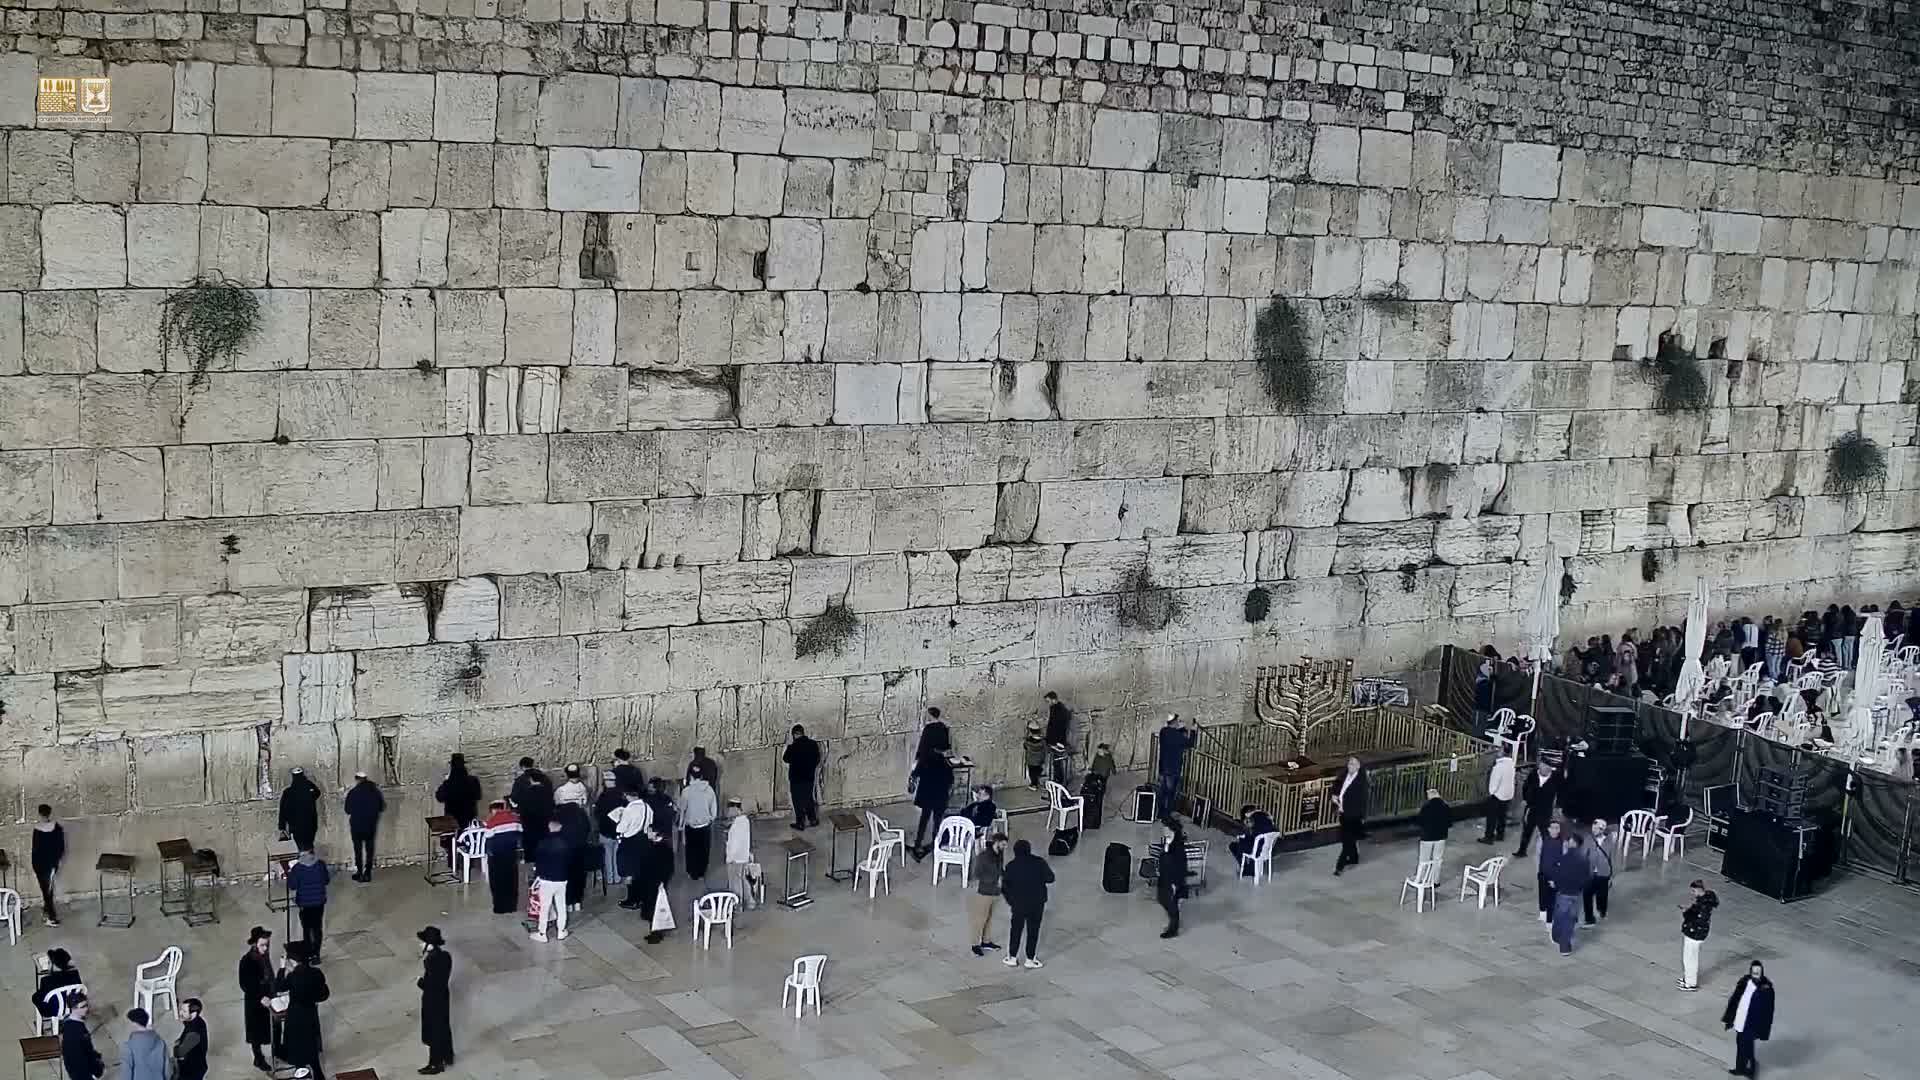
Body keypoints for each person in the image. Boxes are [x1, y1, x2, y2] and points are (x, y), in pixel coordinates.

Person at [278, 941, 330, 1080]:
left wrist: (282, 968)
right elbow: (324, 994)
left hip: (295, 1016)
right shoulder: (316, 973)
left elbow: (279, 987)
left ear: (293, 960)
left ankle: (301, 1073)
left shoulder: (293, 977)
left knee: (297, 1048)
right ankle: (318, 1075)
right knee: (311, 1046)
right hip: (310, 1014)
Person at [999, 838, 1054, 969]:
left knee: (1016, 930)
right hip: (1037, 903)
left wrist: (1011, 901)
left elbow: (1005, 887)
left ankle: (1012, 957)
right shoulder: (1039, 862)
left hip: (1018, 904)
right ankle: (1030, 959)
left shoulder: (1011, 866)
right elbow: (1050, 878)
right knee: (1033, 931)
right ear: (1029, 850)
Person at [1722, 960, 1775, 1076]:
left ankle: (1751, 1070)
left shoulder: (1766, 988)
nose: (1756, 973)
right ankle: (1740, 1069)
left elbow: (1768, 1011)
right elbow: (1735, 1000)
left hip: (1752, 1023)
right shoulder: (1744, 981)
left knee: (1747, 1047)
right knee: (1741, 1045)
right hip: (1740, 1020)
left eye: (1758, 971)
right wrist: (1729, 1019)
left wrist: (1764, 1030)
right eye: (1754, 971)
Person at [237, 928, 275, 1072]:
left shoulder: (264, 956)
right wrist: (260, 997)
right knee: (256, 1033)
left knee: (272, 1025)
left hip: (268, 996)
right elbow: (245, 984)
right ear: (254, 944)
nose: (265, 948)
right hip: (255, 1001)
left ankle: (278, 1050)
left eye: (267, 945)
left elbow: (269, 974)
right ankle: (258, 1058)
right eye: (262, 945)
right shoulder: (247, 961)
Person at [416, 927, 454, 1075]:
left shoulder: (432, 961)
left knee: (434, 1031)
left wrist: (420, 982)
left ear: (429, 944)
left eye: (423, 942)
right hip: (443, 997)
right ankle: (446, 1056)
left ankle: (435, 1064)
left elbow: (431, 985)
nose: (420, 945)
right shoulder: (445, 956)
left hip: (433, 1000)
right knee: (442, 1027)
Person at [613, 787, 657, 911]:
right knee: (640, 870)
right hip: (643, 841)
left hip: (629, 843)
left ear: (628, 795)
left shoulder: (629, 810)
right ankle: (642, 898)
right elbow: (650, 824)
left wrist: (619, 819)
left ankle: (632, 899)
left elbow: (620, 828)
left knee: (629, 872)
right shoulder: (648, 807)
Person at [529, 819, 571, 942]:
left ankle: (542, 933)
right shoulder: (566, 843)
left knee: (544, 907)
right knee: (561, 906)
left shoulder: (543, 843)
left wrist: (537, 875)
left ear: (549, 828)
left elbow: (538, 862)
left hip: (546, 880)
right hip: (562, 879)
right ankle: (561, 931)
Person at [909, 748, 954, 860]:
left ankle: (918, 843)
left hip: (927, 796)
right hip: (940, 797)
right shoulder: (946, 764)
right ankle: (936, 844)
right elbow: (951, 782)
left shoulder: (924, 761)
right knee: (937, 821)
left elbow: (915, 774)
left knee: (924, 820)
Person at [286, 848, 331, 962]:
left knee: (307, 928)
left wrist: (290, 873)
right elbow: (326, 880)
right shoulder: (320, 865)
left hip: (305, 903)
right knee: (317, 928)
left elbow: (292, 886)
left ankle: (308, 952)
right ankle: (316, 954)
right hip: (319, 902)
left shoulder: (298, 868)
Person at [1550, 832, 1590, 955]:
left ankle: (1562, 942)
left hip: (1563, 892)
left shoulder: (1564, 858)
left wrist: (1555, 883)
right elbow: (1587, 878)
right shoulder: (1584, 860)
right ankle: (1562, 941)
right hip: (1576, 893)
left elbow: (1558, 874)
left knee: (1561, 916)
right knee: (1570, 918)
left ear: (1572, 843)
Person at [343, 771, 384, 883]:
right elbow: (381, 807)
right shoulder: (375, 792)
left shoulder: (353, 792)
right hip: (370, 825)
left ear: (357, 779)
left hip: (357, 826)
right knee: (369, 848)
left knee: (358, 849)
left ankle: (359, 872)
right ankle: (368, 873)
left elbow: (347, 810)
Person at [481, 800, 521, 915]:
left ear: (493, 809)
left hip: (497, 856)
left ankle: (499, 907)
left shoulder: (492, 821)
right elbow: (520, 835)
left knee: (497, 882)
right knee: (512, 880)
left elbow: (488, 840)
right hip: (511, 855)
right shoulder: (515, 819)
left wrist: (488, 855)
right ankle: (512, 906)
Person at [968, 833, 1005, 956]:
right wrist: (995, 880)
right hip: (984, 892)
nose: (1005, 846)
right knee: (980, 919)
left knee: (989, 917)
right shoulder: (983, 857)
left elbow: (1000, 869)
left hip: (995, 891)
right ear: (997, 842)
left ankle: (986, 941)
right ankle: (975, 944)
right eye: (1003, 844)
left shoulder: (999, 854)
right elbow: (977, 874)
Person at [1679, 878, 1719, 990]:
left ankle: (1690, 982)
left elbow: (1698, 919)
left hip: (1695, 932)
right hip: (1697, 932)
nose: (1693, 893)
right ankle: (1688, 978)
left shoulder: (1703, 905)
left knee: (1689, 957)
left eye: (1694, 891)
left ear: (1698, 889)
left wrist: (1687, 913)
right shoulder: (1704, 901)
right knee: (1690, 956)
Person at [1514, 760, 1561, 857]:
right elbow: (1526, 787)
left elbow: (1561, 792)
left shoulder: (1556, 778)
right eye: (1542, 766)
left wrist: (1558, 806)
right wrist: (1526, 799)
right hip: (1532, 808)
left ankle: (1550, 853)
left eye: (1547, 768)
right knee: (1527, 830)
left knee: (1545, 833)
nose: (1544, 769)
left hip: (1545, 810)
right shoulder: (1533, 775)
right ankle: (1522, 851)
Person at [30, 803, 65, 926]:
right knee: (48, 890)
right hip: (50, 864)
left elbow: (34, 849)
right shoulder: (57, 828)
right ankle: (49, 915)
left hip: (40, 864)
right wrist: (57, 861)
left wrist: (34, 864)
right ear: (50, 813)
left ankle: (49, 914)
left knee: (45, 890)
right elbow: (61, 848)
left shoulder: (37, 829)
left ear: (39, 814)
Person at [511, 761, 553, 863]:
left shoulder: (520, 781)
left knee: (529, 841)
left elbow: (515, 798)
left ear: (522, 766)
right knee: (543, 838)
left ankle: (530, 861)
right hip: (544, 817)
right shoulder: (546, 779)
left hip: (528, 817)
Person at [555, 798, 592, 911]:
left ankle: (568, 903)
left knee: (567, 877)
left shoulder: (560, 815)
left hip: (566, 850)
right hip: (581, 849)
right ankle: (577, 902)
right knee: (580, 876)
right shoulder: (581, 814)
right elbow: (588, 829)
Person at [1333, 756, 1367, 875]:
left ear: (1358, 766)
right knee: (1347, 838)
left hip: (1353, 815)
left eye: (1353, 764)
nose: (1350, 766)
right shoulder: (1344, 774)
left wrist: (1361, 816)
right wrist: (1335, 795)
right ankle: (1354, 858)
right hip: (1343, 812)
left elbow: (1362, 801)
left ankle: (1340, 866)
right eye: (1349, 763)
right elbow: (1337, 784)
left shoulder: (1361, 781)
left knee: (1347, 840)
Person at [1157, 816, 1190, 939]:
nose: (1163, 831)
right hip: (1165, 876)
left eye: (1165, 828)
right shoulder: (1168, 840)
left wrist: (1176, 883)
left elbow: (1180, 866)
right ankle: (1173, 922)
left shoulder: (1178, 847)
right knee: (1162, 899)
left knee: (1171, 904)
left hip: (1173, 879)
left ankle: (1173, 929)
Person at [681, 773, 718, 880]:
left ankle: (692, 873)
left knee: (691, 850)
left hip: (691, 826)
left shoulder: (686, 791)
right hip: (705, 826)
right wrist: (711, 818)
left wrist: (681, 824)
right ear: (701, 777)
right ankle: (702, 873)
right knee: (704, 850)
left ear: (691, 777)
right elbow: (714, 808)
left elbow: (683, 809)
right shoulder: (709, 790)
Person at [783, 725, 821, 829]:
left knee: (797, 800)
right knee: (809, 798)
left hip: (796, 779)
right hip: (809, 777)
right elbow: (817, 760)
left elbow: (785, 759)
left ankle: (800, 822)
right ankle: (812, 819)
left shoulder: (792, 747)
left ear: (795, 734)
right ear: (803, 733)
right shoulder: (813, 744)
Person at [277, 767, 322, 852]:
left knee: (300, 847)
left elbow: (283, 811)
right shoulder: (308, 790)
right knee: (309, 846)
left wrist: (282, 827)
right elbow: (317, 793)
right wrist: (308, 782)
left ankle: (303, 863)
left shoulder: (288, 792)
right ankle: (310, 863)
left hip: (296, 826)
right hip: (310, 824)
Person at [724, 797, 757, 909]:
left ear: (734, 808)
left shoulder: (737, 824)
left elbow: (734, 844)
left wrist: (730, 858)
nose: (728, 812)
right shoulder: (745, 821)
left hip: (735, 859)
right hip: (744, 857)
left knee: (735, 883)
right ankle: (750, 902)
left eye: (729, 809)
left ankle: (737, 905)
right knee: (743, 879)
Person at [434, 754, 482, 832]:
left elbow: (439, 797)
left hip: (452, 823)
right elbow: (478, 796)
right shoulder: (473, 781)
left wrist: (446, 781)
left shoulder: (448, 784)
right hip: (469, 821)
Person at [59, 994, 101, 1080]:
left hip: (74, 1067)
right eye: (83, 1006)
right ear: (74, 1008)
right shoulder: (77, 1031)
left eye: (87, 1005)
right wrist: (96, 1069)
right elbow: (84, 1054)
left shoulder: (68, 1022)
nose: (86, 1008)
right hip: (81, 1071)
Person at [1155, 714, 1192, 813]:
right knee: (1170, 793)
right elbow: (1189, 744)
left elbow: (1173, 735)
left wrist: (1180, 729)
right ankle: (1167, 815)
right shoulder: (1176, 735)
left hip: (1163, 768)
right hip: (1173, 769)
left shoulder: (1163, 732)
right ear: (1175, 722)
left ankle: (1160, 812)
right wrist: (1193, 730)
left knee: (1162, 791)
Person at [593, 773, 626, 884]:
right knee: (617, 855)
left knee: (607, 855)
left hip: (605, 830)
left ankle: (610, 878)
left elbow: (596, 813)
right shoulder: (621, 795)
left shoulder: (602, 796)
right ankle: (617, 877)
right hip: (618, 830)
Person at [33, 948, 82, 1021]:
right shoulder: (75, 974)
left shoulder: (46, 980)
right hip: (72, 1006)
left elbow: (43, 997)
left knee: (35, 997)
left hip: (53, 1010)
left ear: (54, 964)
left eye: (49, 963)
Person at [1479, 748, 1516, 845]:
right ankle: (1500, 834)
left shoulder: (1499, 767)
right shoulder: (1511, 765)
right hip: (1507, 794)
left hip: (1497, 795)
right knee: (1502, 816)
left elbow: (1494, 782)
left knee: (1491, 817)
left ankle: (1489, 837)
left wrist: (1491, 793)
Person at [1583, 819, 1615, 925]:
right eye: (1594, 828)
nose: (1595, 830)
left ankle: (1602, 912)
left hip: (1603, 873)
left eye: (1598, 829)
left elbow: (1611, 858)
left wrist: (1611, 875)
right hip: (1590, 873)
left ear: (1602, 830)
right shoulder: (1588, 839)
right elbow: (1583, 855)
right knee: (1586, 895)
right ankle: (1589, 919)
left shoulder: (1609, 841)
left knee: (1602, 895)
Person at [122, 1008, 168, 1080]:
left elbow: (126, 1072)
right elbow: (167, 1069)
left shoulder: (128, 1046)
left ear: (134, 1023)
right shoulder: (160, 1042)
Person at [1229, 805, 1277, 873]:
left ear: (1246, 814)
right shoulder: (1265, 815)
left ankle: (1247, 870)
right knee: (1246, 843)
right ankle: (1251, 868)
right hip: (1269, 849)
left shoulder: (1252, 818)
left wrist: (1241, 838)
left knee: (1234, 846)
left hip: (1258, 849)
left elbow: (1250, 836)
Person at [1535, 819, 1565, 924]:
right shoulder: (1542, 839)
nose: (1555, 830)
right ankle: (1542, 913)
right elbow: (1538, 855)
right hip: (1543, 872)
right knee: (1542, 893)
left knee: (1553, 895)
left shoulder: (1563, 842)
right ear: (1548, 829)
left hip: (1556, 874)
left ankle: (1550, 916)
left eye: (1557, 828)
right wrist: (1538, 870)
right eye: (1553, 828)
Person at [173, 999, 209, 1080]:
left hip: (191, 1071)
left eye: (184, 1011)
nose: (180, 1013)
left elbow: (179, 1053)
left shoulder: (194, 1034)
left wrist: (176, 1047)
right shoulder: (197, 1021)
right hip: (196, 1065)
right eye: (181, 1009)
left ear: (194, 1014)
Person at [1043, 692, 1072, 782]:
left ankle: (1059, 780)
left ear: (1053, 699)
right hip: (1055, 741)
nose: (1048, 703)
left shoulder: (1060, 711)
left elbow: (1057, 728)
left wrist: (1052, 742)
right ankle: (1057, 779)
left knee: (1057, 762)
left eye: (1048, 701)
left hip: (1057, 741)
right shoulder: (1056, 708)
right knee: (1056, 762)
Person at [1416, 788, 1449, 866]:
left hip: (1427, 837)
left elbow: (1419, 822)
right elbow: (1449, 823)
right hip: (1441, 836)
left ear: (1430, 796)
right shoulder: (1445, 806)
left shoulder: (1426, 807)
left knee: (1424, 859)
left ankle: (1423, 876)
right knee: (1437, 859)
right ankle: (1434, 877)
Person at [1022, 723, 1048, 789]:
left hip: (1031, 760)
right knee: (1037, 770)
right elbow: (1045, 748)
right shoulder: (1043, 741)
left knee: (1032, 772)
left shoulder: (1028, 742)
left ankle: (1034, 784)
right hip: (1039, 760)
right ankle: (1036, 781)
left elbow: (1025, 746)